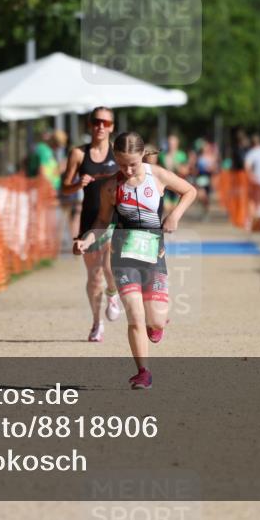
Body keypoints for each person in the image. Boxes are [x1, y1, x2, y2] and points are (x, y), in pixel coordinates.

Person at [74, 132, 196, 389]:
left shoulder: (158, 175)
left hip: (153, 256)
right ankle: (143, 372)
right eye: (121, 164)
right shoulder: (111, 187)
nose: (127, 170)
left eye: (132, 164)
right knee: (134, 315)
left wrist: (174, 216)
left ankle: (157, 324)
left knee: (155, 320)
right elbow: (102, 221)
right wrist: (86, 240)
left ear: (142, 155)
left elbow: (189, 191)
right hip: (123, 257)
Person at [61, 107, 123, 342]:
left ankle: (112, 292)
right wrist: (78, 184)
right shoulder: (78, 154)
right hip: (89, 219)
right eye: (96, 122)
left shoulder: (118, 153)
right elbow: (64, 188)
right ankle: (97, 323)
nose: (100, 127)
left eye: (105, 123)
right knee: (94, 275)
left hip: (113, 219)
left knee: (109, 267)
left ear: (112, 127)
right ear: (90, 124)